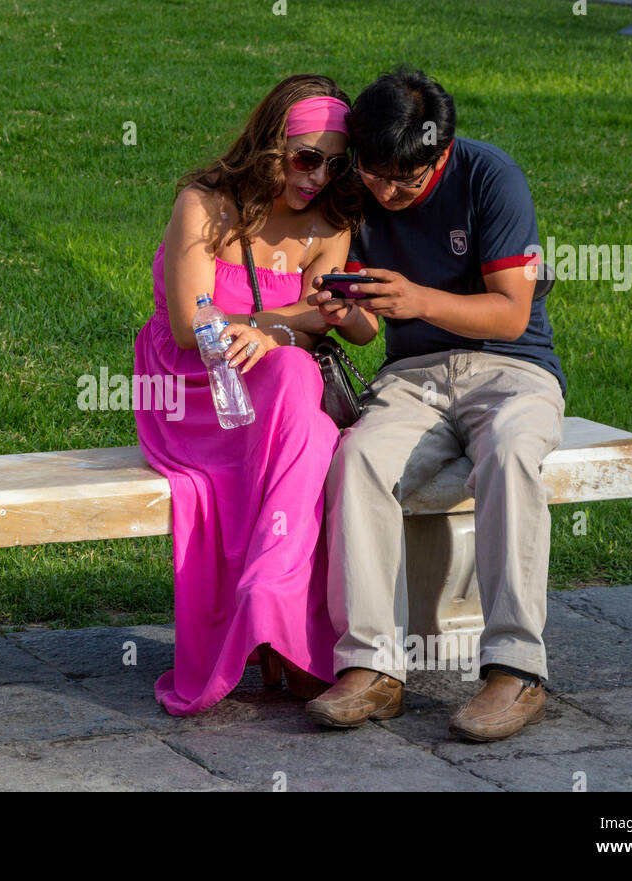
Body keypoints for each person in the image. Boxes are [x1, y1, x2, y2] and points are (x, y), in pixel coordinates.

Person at [305, 67, 567, 742]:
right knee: (358, 458)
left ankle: (516, 669)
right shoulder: (358, 188)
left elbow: (511, 313)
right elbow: (368, 328)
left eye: (405, 180)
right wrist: (347, 312)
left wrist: (417, 300)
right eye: (374, 174)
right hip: (412, 376)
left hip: (513, 371)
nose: (386, 193)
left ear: (441, 151)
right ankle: (372, 666)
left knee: (511, 451)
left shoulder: (490, 177)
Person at [133, 74, 378, 715]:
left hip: (273, 384)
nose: (318, 176)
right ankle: (286, 619)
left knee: (304, 398)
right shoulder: (204, 203)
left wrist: (275, 331)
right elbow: (190, 327)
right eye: (305, 158)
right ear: (272, 147)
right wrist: (284, 323)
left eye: (335, 163)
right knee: (306, 408)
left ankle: (271, 596)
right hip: (191, 386)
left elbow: (331, 314)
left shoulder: (330, 221)